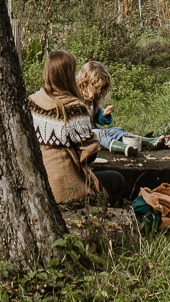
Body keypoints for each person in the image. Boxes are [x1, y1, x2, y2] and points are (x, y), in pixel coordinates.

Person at [29, 50, 125, 205]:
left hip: (38, 183)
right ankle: (103, 219)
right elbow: (88, 155)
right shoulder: (75, 108)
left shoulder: (31, 102)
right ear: (69, 75)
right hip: (65, 190)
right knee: (117, 179)